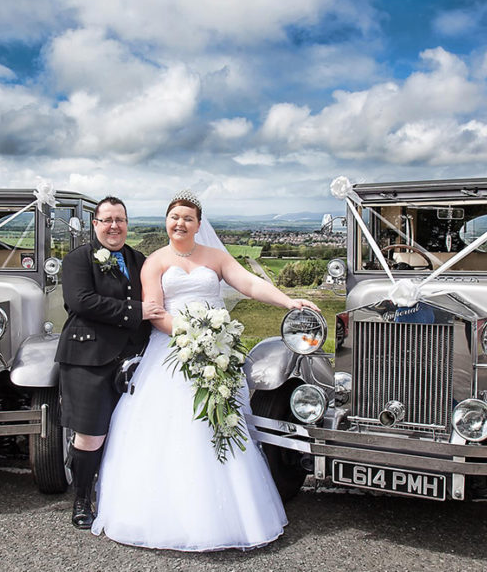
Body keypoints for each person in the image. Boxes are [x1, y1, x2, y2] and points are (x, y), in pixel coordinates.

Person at [91, 190, 319, 551]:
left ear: (198, 225)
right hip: (171, 354)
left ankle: (229, 517)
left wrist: (288, 300)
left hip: (217, 353)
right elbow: (154, 310)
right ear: (167, 221)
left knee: (217, 424)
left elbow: (250, 283)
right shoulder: (155, 262)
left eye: (188, 218)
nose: (180, 223)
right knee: (169, 431)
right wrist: (190, 337)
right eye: (174, 217)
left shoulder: (216, 257)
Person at [55, 196, 165, 529]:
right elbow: (81, 301)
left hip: (133, 360)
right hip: (86, 359)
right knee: (90, 435)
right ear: (95, 224)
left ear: (127, 224)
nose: (114, 226)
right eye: (107, 220)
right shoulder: (77, 260)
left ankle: (122, 497)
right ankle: (82, 500)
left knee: (130, 432)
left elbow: (157, 297)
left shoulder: (139, 259)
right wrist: (136, 312)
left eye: (120, 219)